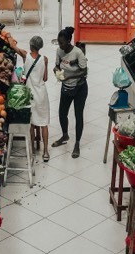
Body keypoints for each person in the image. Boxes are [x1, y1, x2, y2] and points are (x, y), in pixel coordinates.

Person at [9, 35, 51, 161]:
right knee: (44, 123)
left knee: (32, 123)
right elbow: (45, 78)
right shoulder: (45, 59)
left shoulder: (25, 55)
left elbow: (12, 46)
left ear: (31, 45)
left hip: (30, 93)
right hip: (42, 94)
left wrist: (9, 36)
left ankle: (32, 150)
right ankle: (45, 152)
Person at [52, 26, 87, 158]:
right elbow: (56, 65)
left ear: (68, 41)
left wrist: (70, 77)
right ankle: (65, 135)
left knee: (78, 115)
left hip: (80, 88)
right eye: (58, 42)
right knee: (62, 113)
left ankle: (77, 143)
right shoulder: (59, 51)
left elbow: (84, 71)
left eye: (62, 42)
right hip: (66, 87)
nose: (60, 45)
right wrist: (56, 71)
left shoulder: (78, 53)